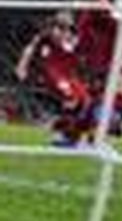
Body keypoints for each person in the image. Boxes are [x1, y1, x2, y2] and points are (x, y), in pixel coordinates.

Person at [14, 11, 93, 145]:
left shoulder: (73, 41)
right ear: (52, 27)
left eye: (67, 28)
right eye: (60, 27)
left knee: (87, 102)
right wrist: (21, 66)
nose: (63, 32)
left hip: (70, 76)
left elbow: (81, 56)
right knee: (71, 100)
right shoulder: (44, 39)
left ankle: (78, 136)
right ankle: (62, 135)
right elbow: (29, 50)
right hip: (54, 75)